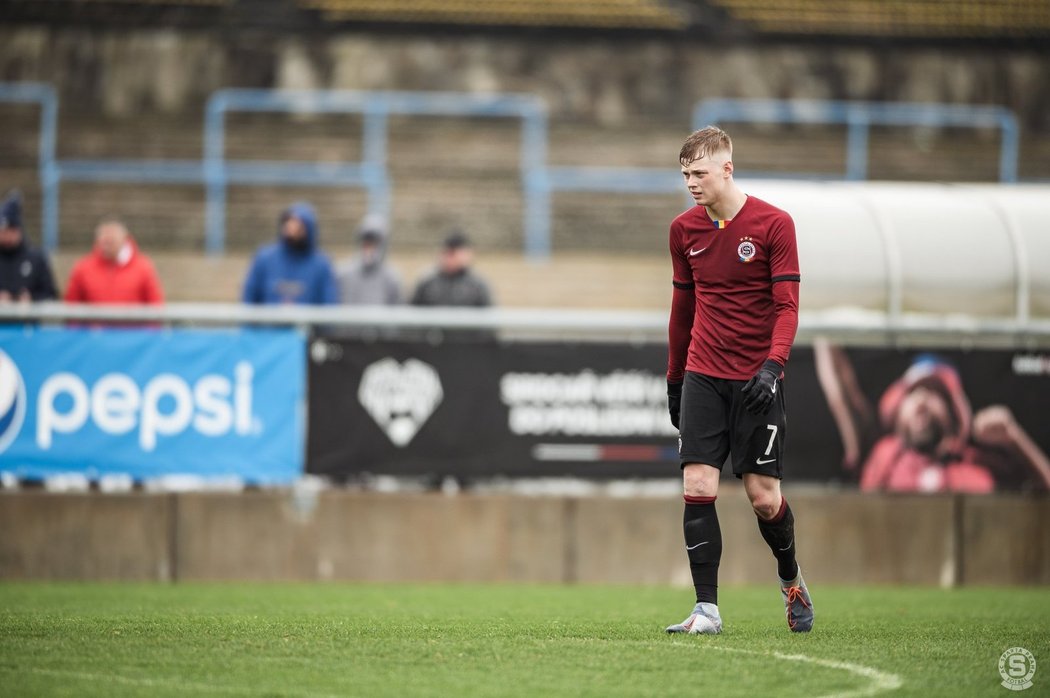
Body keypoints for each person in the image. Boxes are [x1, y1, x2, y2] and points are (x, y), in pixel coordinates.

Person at [664, 126, 812, 635]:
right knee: (697, 484)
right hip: (704, 373)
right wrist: (675, 379)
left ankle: (791, 580)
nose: (691, 183)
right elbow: (682, 311)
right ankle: (706, 610)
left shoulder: (774, 224)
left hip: (757, 379)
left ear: (727, 168)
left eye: (699, 173)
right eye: (685, 175)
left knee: (763, 496)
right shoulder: (684, 230)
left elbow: (787, 308)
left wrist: (773, 367)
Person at [815, 342, 1050, 493]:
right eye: (912, 393)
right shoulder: (881, 455)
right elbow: (842, 391)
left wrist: (1015, 439)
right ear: (896, 412)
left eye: (934, 392)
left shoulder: (981, 464)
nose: (921, 401)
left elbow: (1040, 509)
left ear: (954, 411)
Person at [242, 202, 338, 305]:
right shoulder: (264, 258)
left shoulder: (321, 264)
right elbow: (250, 298)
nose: (292, 230)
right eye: (288, 224)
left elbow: (329, 302)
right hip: (269, 321)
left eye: (298, 227)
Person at [64, 216, 164, 304]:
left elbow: (155, 307)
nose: (107, 241)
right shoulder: (83, 268)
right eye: (104, 237)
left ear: (124, 238)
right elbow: (72, 307)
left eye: (112, 238)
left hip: (131, 325)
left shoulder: (143, 268)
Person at [0, 190, 58, 303]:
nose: (6, 236)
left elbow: (50, 294)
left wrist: (31, 299)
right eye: (3, 232)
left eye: (10, 231)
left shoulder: (36, 258)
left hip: (27, 320)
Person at [409, 230, 492, 308]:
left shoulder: (477, 286)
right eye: (447, 253)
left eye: (453, 254)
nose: (449, 258)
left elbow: (489, 316)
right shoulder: (427, 282)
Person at [336, 213, 403, 305]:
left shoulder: (392, 279)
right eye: (366, 242)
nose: (369, 248)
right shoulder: (343, 274)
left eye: (374, 242)